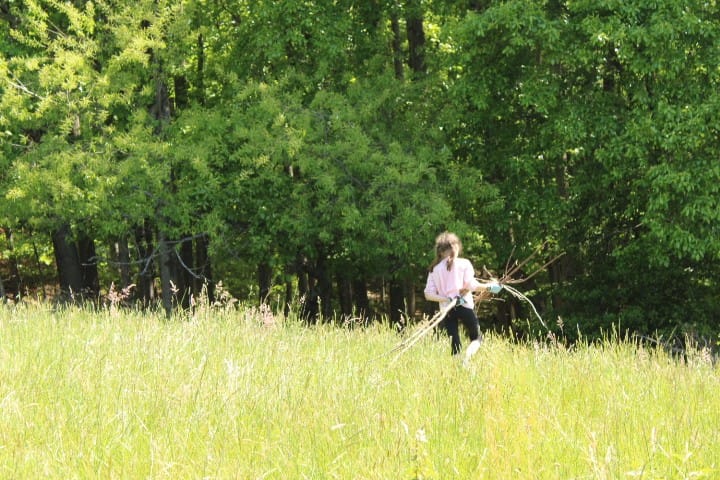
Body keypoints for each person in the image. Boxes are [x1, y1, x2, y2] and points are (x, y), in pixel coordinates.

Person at [423, 232, 501, 363]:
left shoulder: (434, 269)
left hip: (447, 310)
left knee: (455, 344)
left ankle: (459, 368)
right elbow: (471, 285)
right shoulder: (464, 263)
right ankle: (467, 359)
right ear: (456, 248)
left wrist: (447, 299)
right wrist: (490, 287)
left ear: (440, 252)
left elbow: (428, 294)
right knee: (476, 338)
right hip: (464, 306)